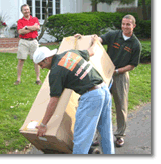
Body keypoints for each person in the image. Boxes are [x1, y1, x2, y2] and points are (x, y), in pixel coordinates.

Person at [33, 36, 115, 154]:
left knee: (81, 138)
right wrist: (96, 41)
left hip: (91, 96)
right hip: (104, 90)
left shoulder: (55, 72)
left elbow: (53, 101)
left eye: (41, 64)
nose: (42, 67)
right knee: (106, 131)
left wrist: (43, 124)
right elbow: (92, 51)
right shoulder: (70, 53)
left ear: (46, 59)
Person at [75, 14, 141, 147]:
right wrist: (86, 38)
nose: (124, 26)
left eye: (128, 24)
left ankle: (120, 135)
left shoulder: (135, 44)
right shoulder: (114, 35)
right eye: (123, 23)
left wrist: (117, 71)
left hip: (120, 76)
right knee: (102, 104)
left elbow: (132, 65)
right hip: (105, 75)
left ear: (133, 26)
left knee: (120, 106)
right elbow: (99, 40)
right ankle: (100, 136)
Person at [14, 4, 42, 85]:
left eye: (27, 9)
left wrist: (26, 28)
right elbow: (20, 32)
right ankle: (18, 79)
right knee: (21, 60)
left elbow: (37, 28)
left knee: (36, 60)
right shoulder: (20, 21)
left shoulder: (35, 19)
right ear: (22, 12)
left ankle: (38, 79)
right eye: (24, 10)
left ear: (30, 10)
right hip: (23, 42)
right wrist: (32, 28)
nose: (27, 11)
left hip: (34, 41)